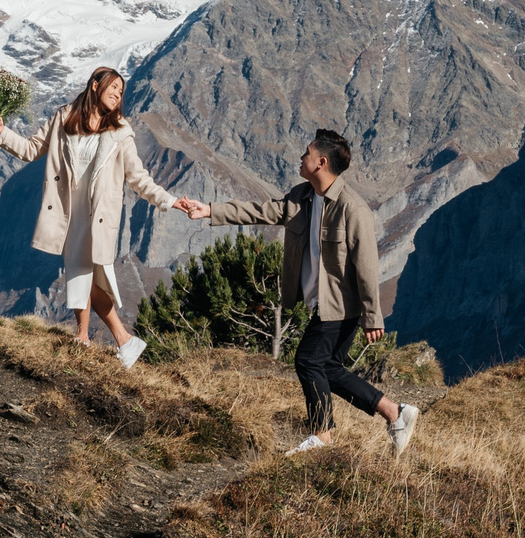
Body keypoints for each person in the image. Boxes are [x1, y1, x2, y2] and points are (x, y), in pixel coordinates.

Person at [175, 129, 420, 456]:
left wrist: (372, 316)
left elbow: (367, 265)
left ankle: (321, 436)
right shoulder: (301, 197)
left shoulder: (351, 208)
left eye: (306, 153)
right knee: (327, 369)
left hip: (341, 307)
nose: (300, 158)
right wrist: (209, 210)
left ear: (321, 162)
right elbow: (260, 211)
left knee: (307, 360)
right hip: (321, 305)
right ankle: (395, 412)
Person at [0, 65, 180, 370]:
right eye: (113, 87)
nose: (118, 94)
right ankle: (114, 339)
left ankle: (94, 338)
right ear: (94, 86)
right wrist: (0, 133)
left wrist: (169, 200)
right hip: (68, 214)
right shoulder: (64, 118)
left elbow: (138, 179)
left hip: (97, 217)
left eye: (121, 91)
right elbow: (31, 149)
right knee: (84, 278)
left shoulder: (120, 132)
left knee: (81, 274)